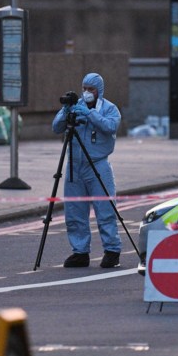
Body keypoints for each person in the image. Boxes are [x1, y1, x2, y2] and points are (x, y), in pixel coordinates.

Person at [51, 72, 123, 268]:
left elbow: (110, 127)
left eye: (91, 89)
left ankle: (112, 250)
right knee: (74, 211)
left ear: (99, 90)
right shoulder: (75, 106)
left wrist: (90, 114)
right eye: (84, 88)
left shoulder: (109, 109)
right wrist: (66, 111)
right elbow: (56, 127)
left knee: (105, 209)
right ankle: (80, 251)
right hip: (75, 165)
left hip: (98, 164)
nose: (87, 92)